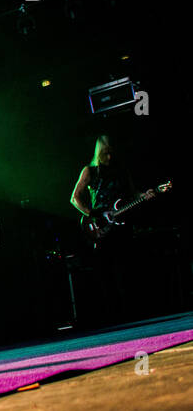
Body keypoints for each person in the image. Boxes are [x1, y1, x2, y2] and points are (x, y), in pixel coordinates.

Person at [69, 135, 152, 322]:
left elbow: (133, 192)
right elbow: (75, 198)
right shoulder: (90, 171)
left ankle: (131, 312)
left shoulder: (122, 171)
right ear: (99, 152)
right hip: (101, 226)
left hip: (122, 224)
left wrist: (145, 195)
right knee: (106, 271)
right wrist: (92, 214)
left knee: (127, 268)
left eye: (111, 152)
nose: (109, 157)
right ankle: (112, 315)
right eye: (105, 153)